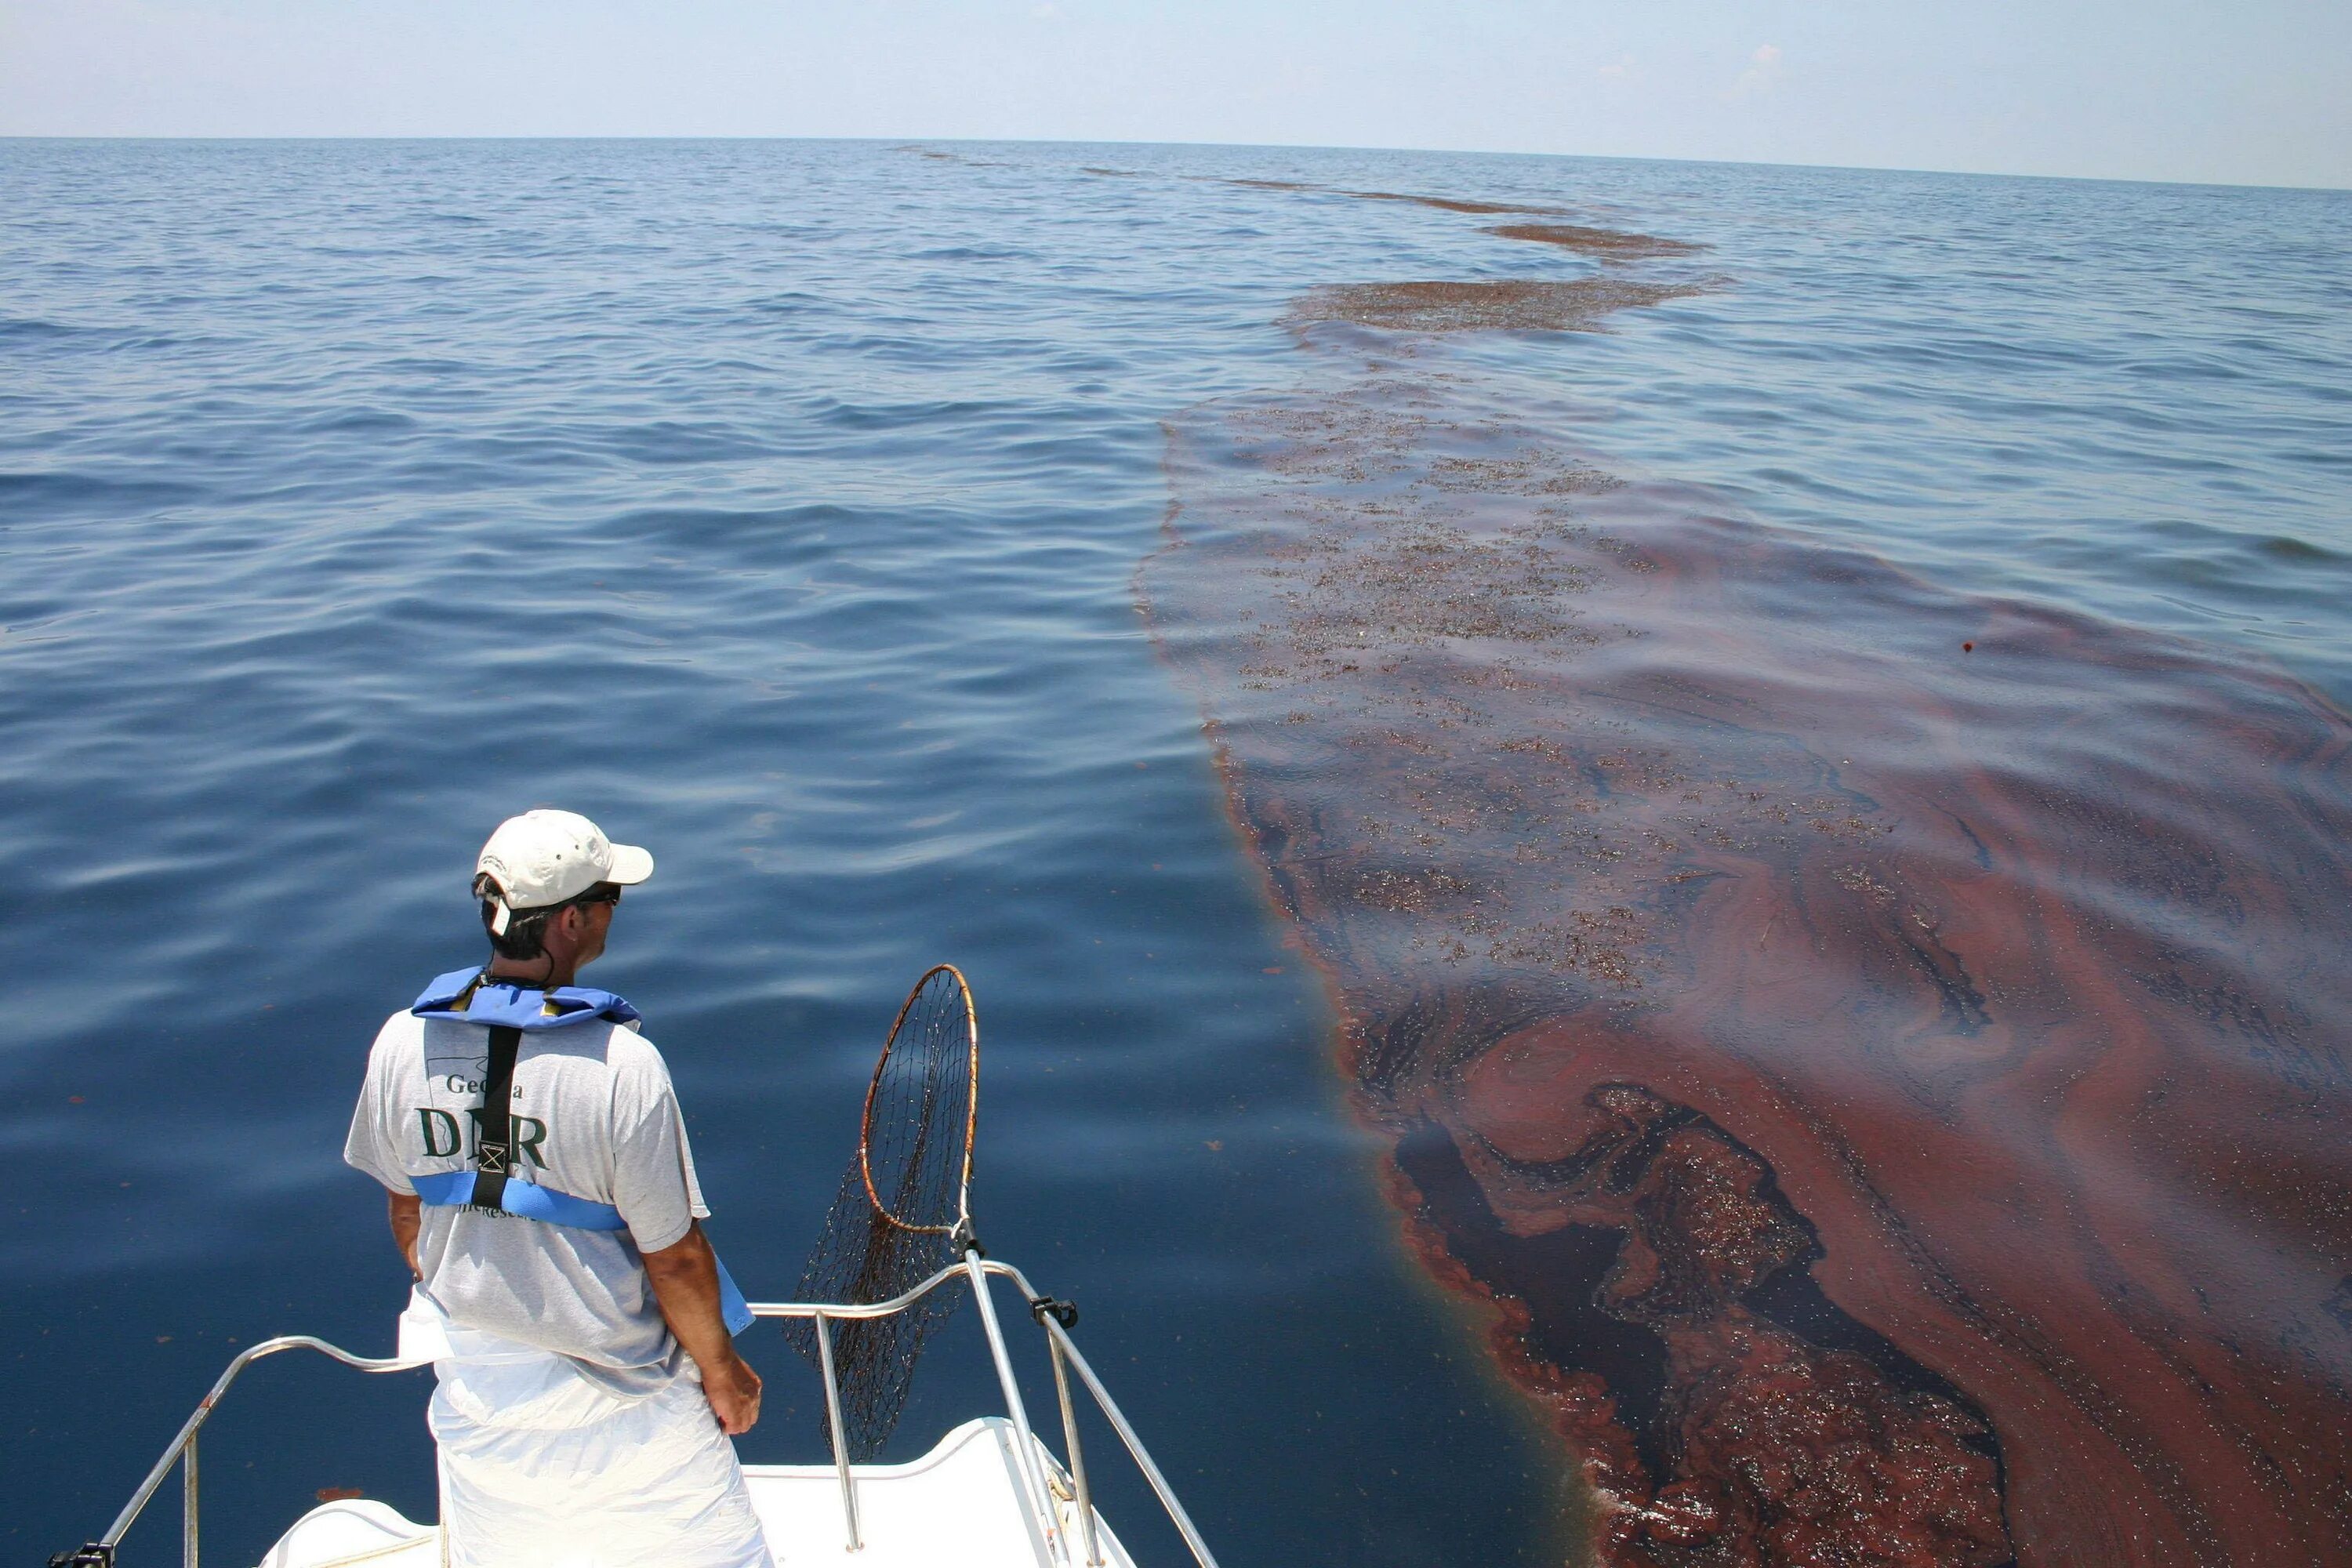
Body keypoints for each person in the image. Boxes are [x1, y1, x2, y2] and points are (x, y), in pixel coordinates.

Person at [343, 808, 775, 1568]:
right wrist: (723, 1372)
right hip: (628, 1404)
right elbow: (674, 1258)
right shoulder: (622, 1065)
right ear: (571, 919)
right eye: (611, 896)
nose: (614, 912)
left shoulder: (399, 1040)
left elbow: (406, 1207)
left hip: (480, 1392)